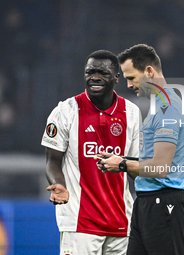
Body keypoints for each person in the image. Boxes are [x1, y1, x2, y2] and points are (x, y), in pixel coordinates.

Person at [41, 50, 140, 255]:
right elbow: (52, 161)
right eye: (90, 72)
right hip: (79, 223)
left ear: (116, 77)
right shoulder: (64, 111)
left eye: (102, 72)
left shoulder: (131, 112)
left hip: (121, 221)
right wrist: (59, 185)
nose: (94, 77)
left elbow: (134, 164)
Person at [97, 44, 184, 255]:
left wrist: (122, 164)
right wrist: (121, 160)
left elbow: (160, 168)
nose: (129, 85)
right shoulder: (159, 106)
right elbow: (151, 161)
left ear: (149, 71)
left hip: (164, 205)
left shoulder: (168, 108)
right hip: (148, 204)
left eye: (131, 77)